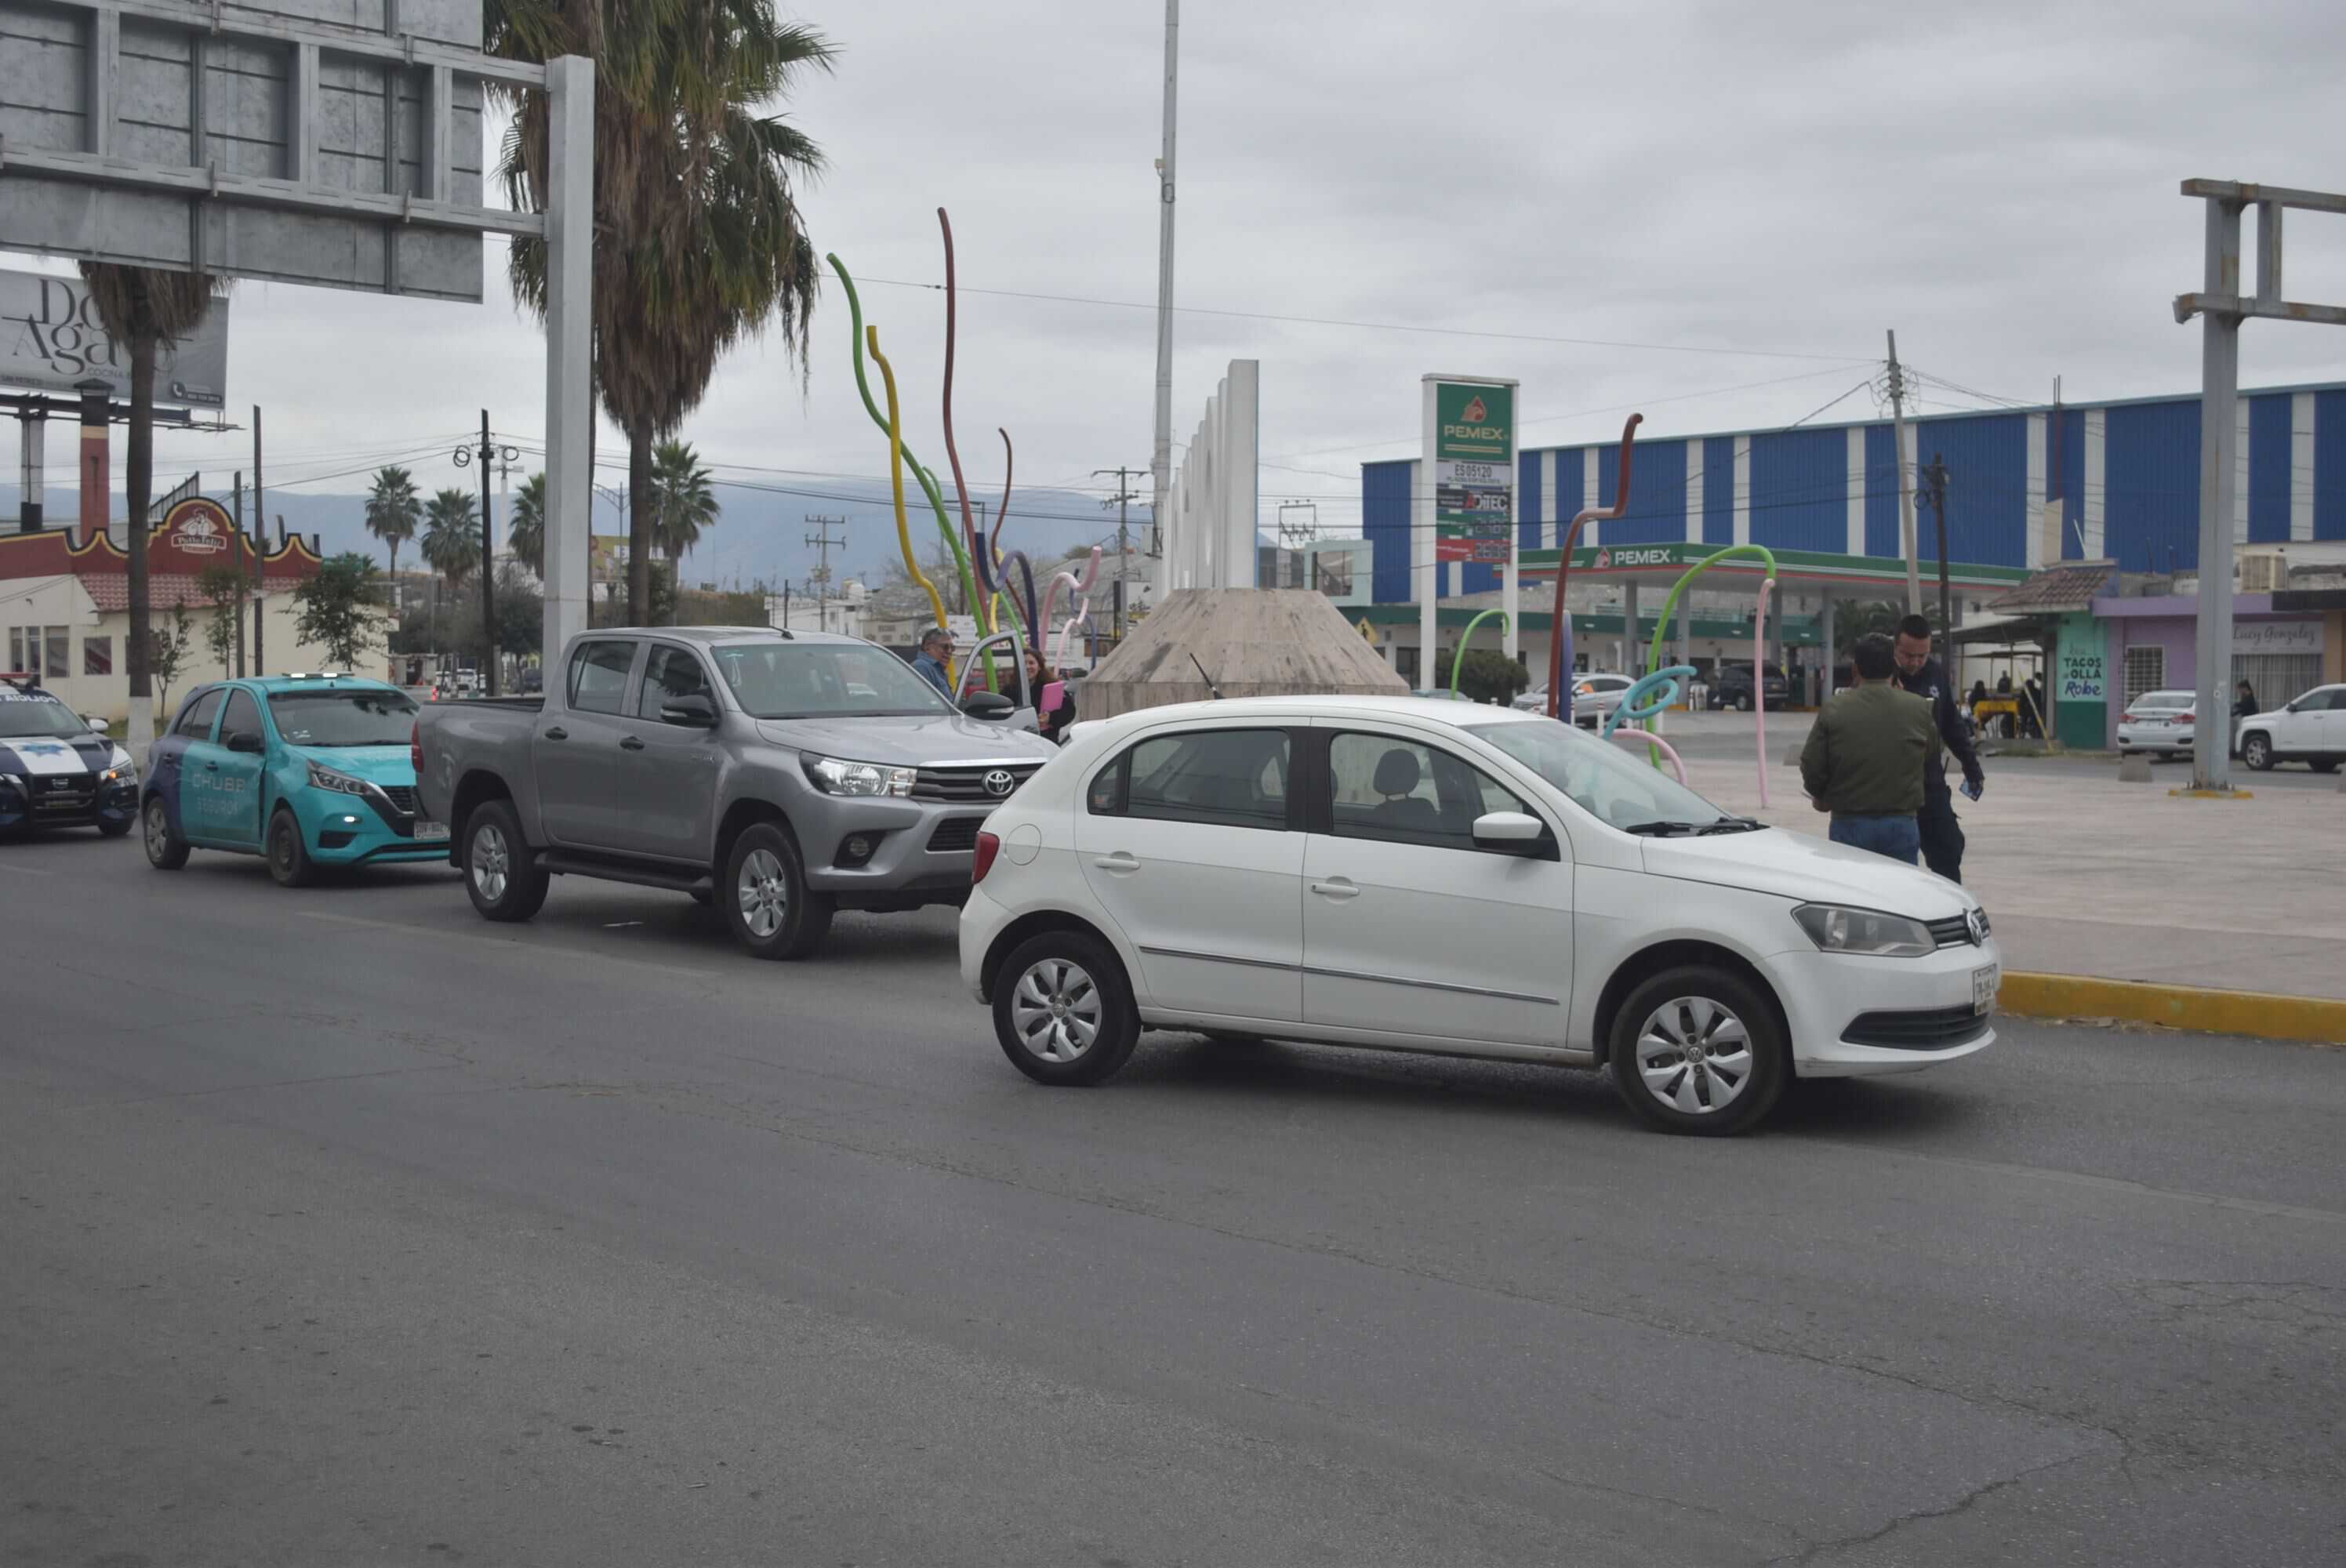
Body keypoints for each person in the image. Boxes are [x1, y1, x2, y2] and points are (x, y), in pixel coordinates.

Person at [1800, 633, 1941, 866]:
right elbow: (1930, 754)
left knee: (1852, 897)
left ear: (1855, 669)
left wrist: (1821, 796)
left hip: (1849, 823)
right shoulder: (1919, 708)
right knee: (1898, 896)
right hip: (1901, 823)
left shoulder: (1835, 708)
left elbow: (1812, 764)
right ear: (1894, 667)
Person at [1891, 614, 1985, 883]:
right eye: (1908, 655)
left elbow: (1952, 725)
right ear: (1896, 647)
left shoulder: (1935, 674)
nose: (1915, 662)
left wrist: (1971, 766)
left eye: (1922, 655)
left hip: (1929, 782)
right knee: (1895, 862)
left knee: (1949, 848)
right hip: (1891, 786)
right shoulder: (1881, 673)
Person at [1026, 646, 1075, 742]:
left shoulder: (1052, 687)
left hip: (1046, 743)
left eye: (1031, 663)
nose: (1027, 667)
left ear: (1039, 666)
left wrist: (1051, 718)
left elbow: (1069, 711)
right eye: (1023, 663)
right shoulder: (1010, 689)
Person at [911, 627, 954, 697]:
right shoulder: (921, 667)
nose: (949, 651)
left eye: (952, 648)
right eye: (945, 647)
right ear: (927, 648)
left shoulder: (939, 670)